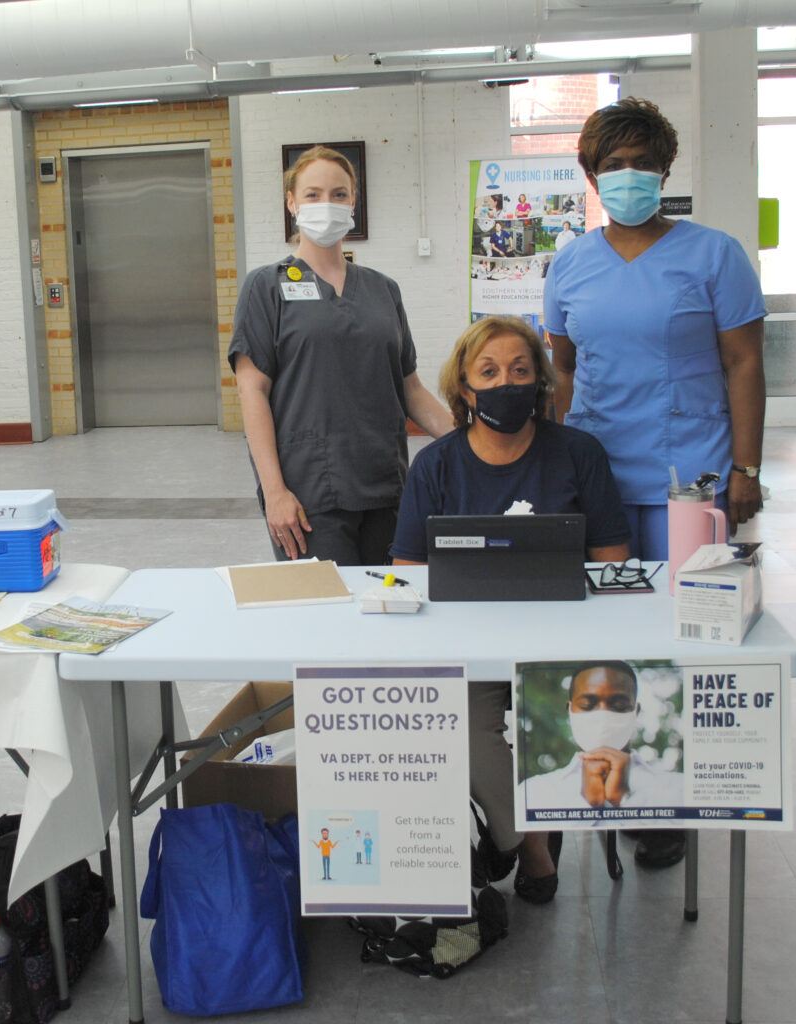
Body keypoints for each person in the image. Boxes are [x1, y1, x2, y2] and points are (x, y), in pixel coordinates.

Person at [544, 96, 766, 868]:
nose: (629, 176)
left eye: (642, 162)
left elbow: (744, 363)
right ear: (593, 175)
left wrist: (746, 467)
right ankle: (612, 778)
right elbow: (563, 371)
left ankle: (670, 802)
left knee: (684, 637)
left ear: (665, 169)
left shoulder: (714, 255)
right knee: (607, 638)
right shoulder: (570, 262)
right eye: (614, 165)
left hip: (690, 479)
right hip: (599, 476)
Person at [391, 315, 631, 903]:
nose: (506, 384)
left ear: (541, 383)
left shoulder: (579, 454)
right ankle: (528, 844)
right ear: (464, 388)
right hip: (465, 645)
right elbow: (409, 574)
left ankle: (510, 843)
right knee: (463, 733)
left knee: (553, 728)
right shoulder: (436, 465)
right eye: (490, 372)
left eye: (521, 371)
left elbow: (613, 563)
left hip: (562, 642)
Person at [229, 146, 453, 565]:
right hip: (308, 497)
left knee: (389, 607)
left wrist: (471, 439)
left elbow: (411, 389)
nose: (326, 205)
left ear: (353, 202)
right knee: (325, 618)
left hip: (385, 487)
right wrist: (274, 492)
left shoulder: (383, 290)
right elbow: (252, 393)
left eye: (338, 194)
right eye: (312, 195)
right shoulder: (266, 288)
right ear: (292, 202)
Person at [518, 661, 683, 811]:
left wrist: (626, 801)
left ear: (636, 712)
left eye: (619, 705)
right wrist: (585, 805)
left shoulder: (679, 788)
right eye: (587, 705)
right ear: (569, 711)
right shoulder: (533, 792)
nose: (603, 715)